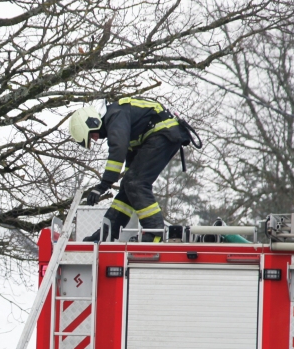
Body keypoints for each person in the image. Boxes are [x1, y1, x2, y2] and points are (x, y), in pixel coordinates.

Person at [68, 97, 199, 242]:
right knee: (128, 186)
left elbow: (118, 149)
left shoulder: (115, 115)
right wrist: (104, 234)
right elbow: (127, 177)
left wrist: (103, 185)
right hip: (156, 137)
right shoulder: (125, 125)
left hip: (163, 134)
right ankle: (107, 233)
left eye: (92, 134)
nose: (95, 139)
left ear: (92, 121)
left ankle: (154, 232)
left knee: (136, 183)